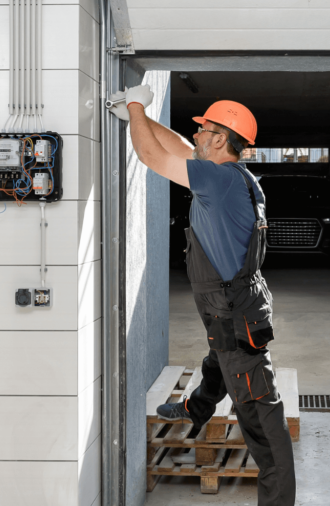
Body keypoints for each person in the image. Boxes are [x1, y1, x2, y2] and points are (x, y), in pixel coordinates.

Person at [111, 85, 295, 506]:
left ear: (219, 139)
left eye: (204, 130)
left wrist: (137, 106)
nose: (196, 135)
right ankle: (198, 408)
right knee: (219, 361)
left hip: (234, 314)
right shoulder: (232, 178)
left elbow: (153, 157)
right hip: (233, 307)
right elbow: (177, 146)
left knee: (263, 426)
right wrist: (136, 119)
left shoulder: (217, 179)